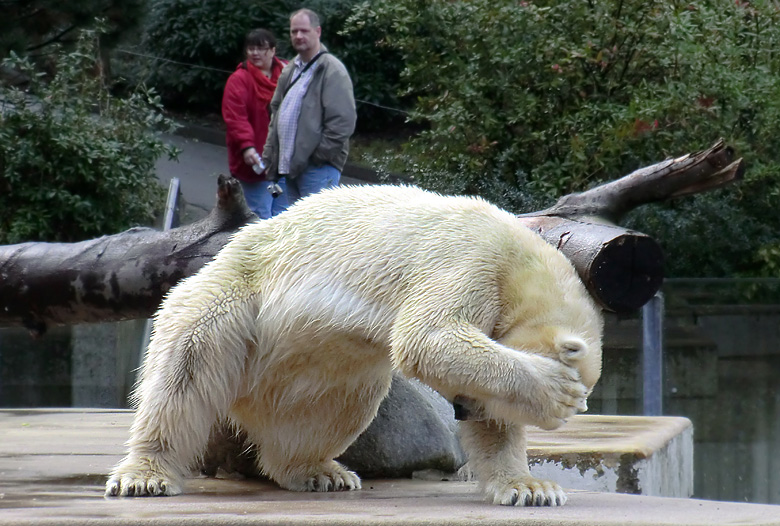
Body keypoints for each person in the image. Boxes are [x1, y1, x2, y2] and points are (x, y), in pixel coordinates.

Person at [262, 8, 357, 205]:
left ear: (318, 31)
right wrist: (270, 156)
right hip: (288, 169)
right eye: (294, 31)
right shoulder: (291, 69)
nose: (298, 36)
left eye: (304, 31)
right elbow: (276, 114)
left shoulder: (332, 69)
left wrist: (317, 157)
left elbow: (343, 122)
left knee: (317, 232)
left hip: (317, 169)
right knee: (291, 231)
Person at [222, 28, 288, 219]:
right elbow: (236, 118)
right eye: (251, 48)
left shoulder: (288, 75)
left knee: (283, 214)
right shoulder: (239, 80)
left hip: (282, 166)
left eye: (261, 48)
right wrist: (247, 147)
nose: (255, 53)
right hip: (254, 167)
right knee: (259, 216)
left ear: (273, 51)